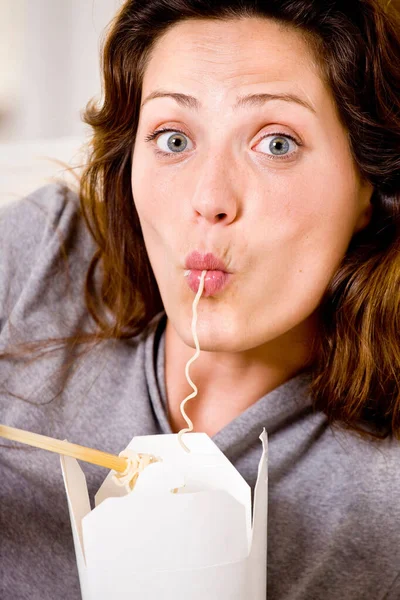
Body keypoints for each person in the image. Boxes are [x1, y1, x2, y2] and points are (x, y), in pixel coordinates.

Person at [1, 0, 400, 598]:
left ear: (369, 183)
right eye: (173, 138)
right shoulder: (44, 257)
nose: (209, 198)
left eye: (276, 145)